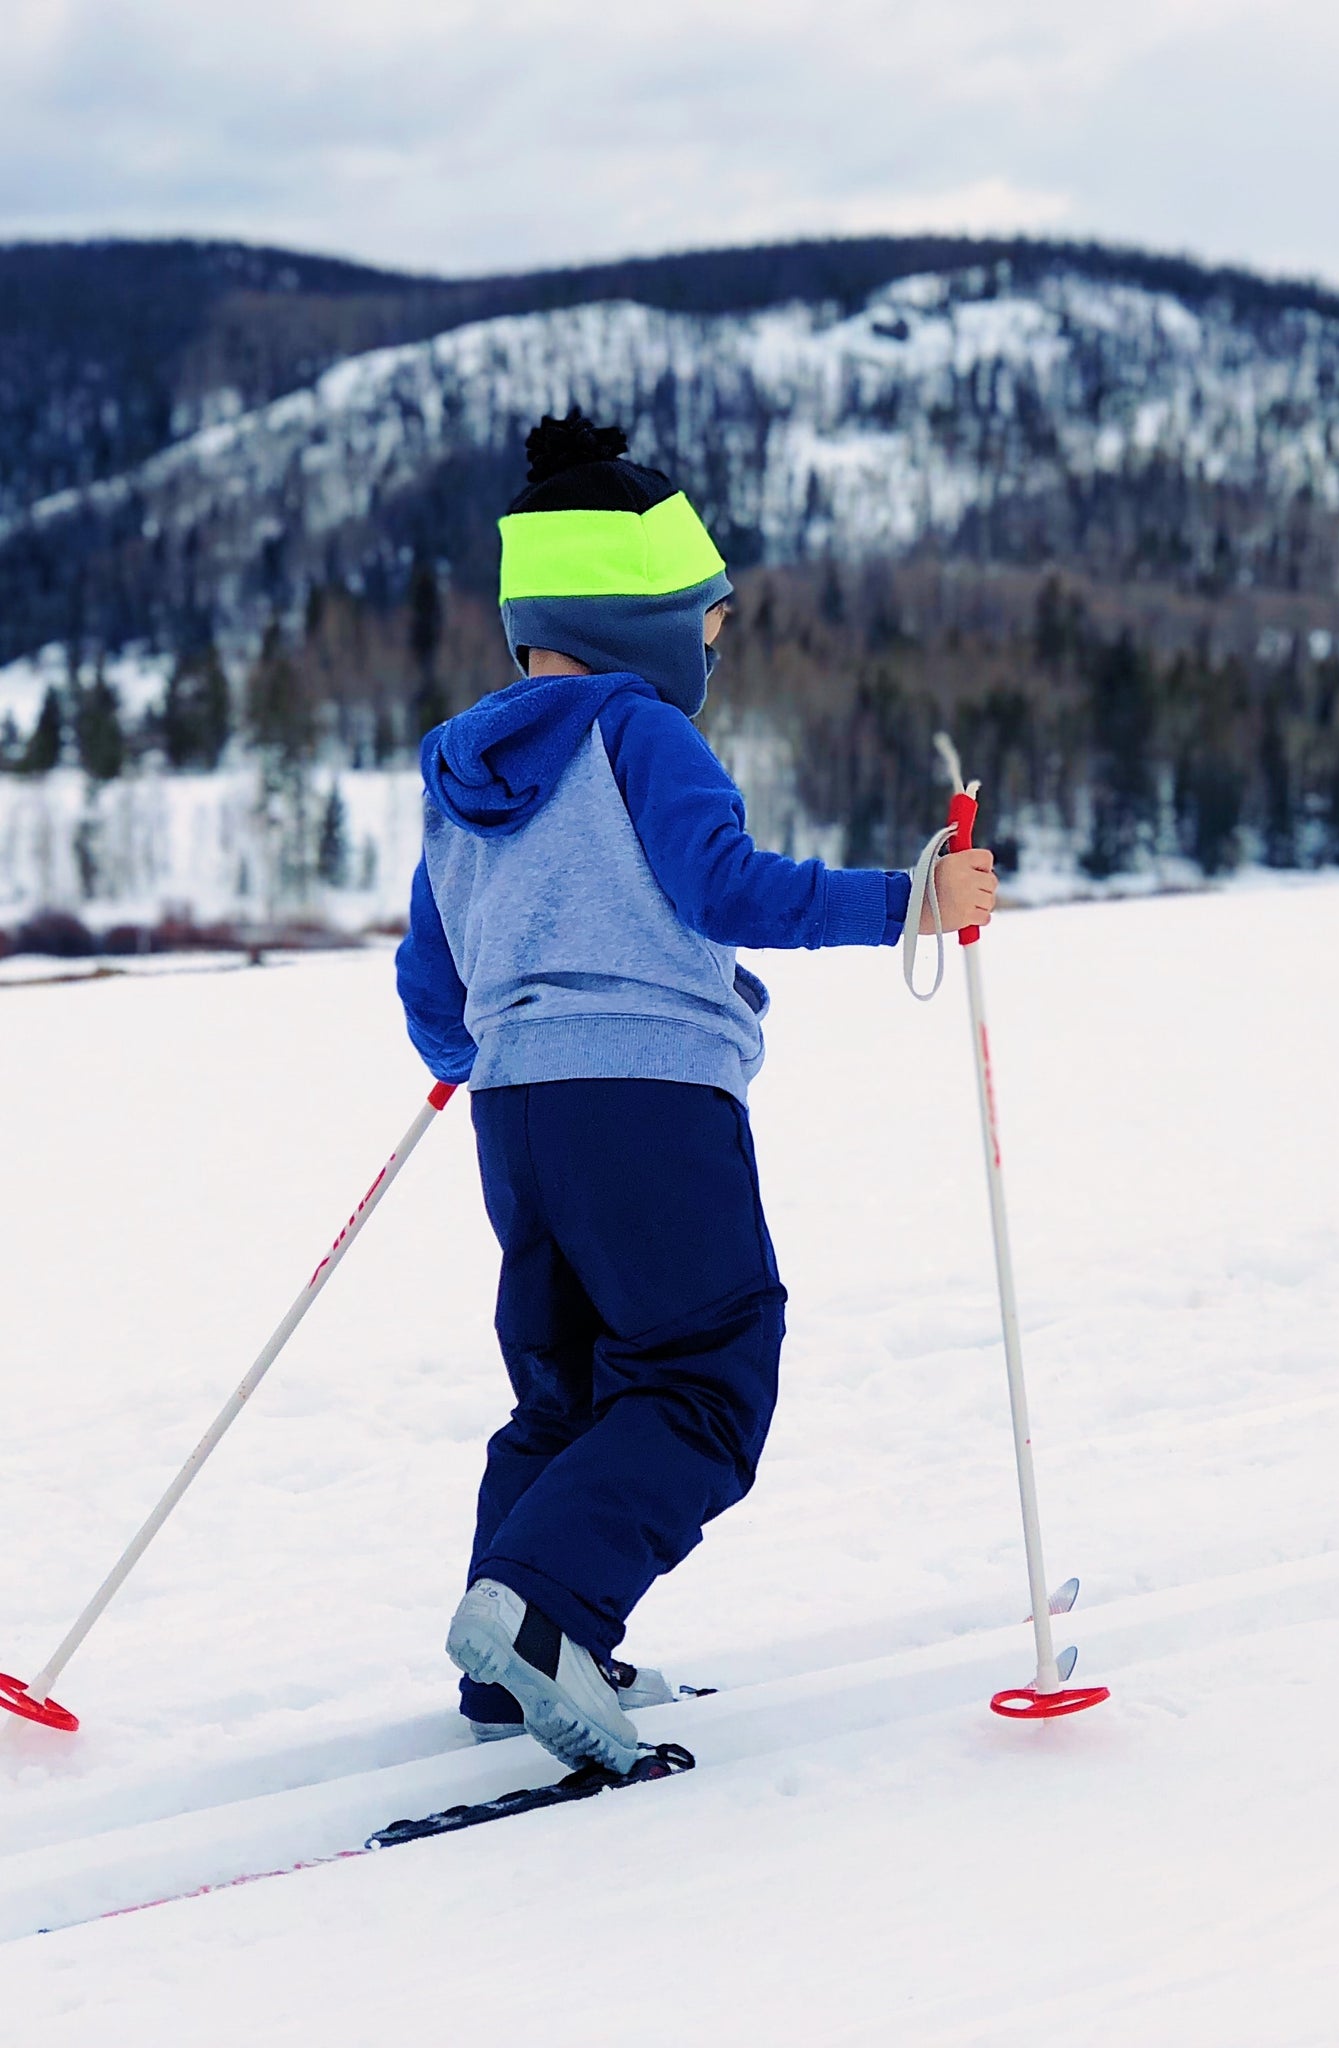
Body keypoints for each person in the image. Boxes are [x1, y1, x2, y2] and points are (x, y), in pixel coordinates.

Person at [395, 409, 995, 1773]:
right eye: (709, 627)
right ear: (646, 615)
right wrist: (910, 899)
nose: (713, 655)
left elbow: (432, 975)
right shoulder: (639, 730)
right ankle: (545, 1614)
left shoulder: (460, 767)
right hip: (651, 1102)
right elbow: (727, 888)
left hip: (517, 1118)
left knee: (569, 1385)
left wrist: (460, 1055)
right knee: (706, 1369)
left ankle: (522, 1653)